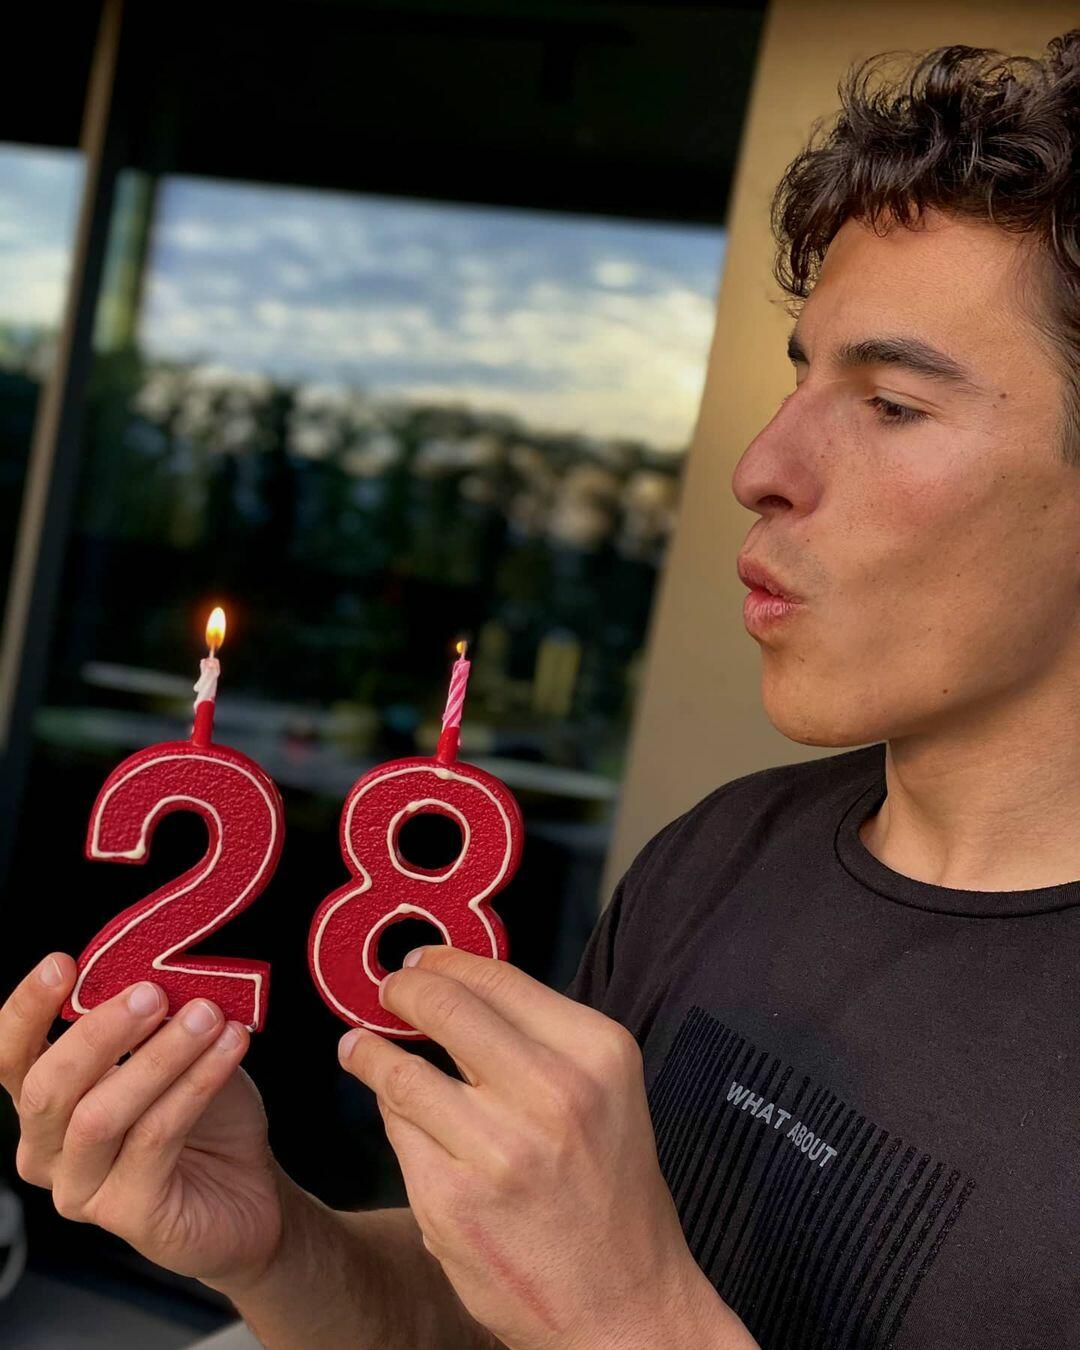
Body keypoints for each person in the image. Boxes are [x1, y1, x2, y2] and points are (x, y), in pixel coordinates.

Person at [3, 28, 1080, 1349]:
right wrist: (278, 1243)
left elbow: (598, 1314)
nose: (760, 465)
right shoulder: (724, 854)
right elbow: (493, 1324)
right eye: (804, 375)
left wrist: (635, 1316)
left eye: (894, 404)